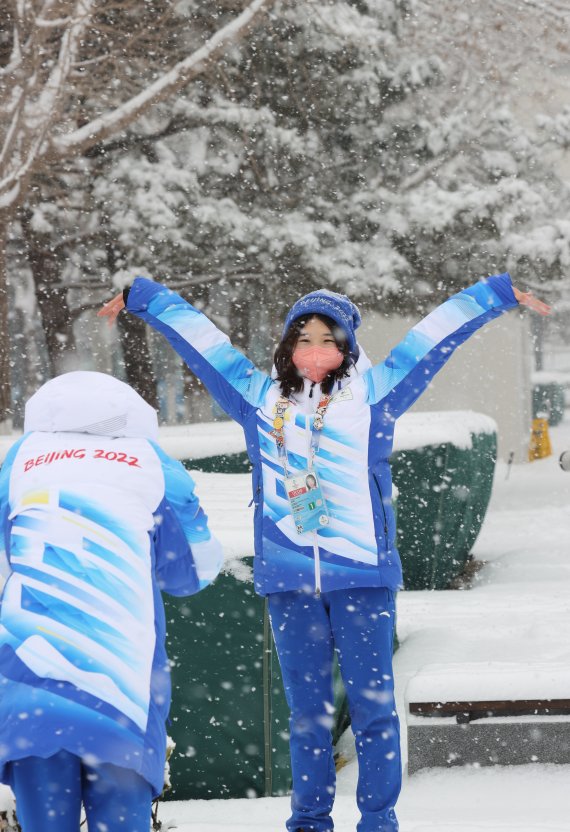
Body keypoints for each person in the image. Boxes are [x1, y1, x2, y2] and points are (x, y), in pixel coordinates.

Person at [100, 274, 549, 832]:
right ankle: (309, 822)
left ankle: (378, 821)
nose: (315, 350)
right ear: (287, 346)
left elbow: (433, 337)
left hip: (362, 578)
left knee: (373, 711)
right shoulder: (258, 399)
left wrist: (497, 294)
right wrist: (147, 299)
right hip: (290, 584)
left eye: (328, 339)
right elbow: (206, 343)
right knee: (308, 717)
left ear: (347, 348)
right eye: (303, 338)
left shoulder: (375, 395)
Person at [0, 371, 223, 832]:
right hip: (120, 686)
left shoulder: (20, 458)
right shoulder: (152, 463)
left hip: (29, 681)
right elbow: (196, 571)